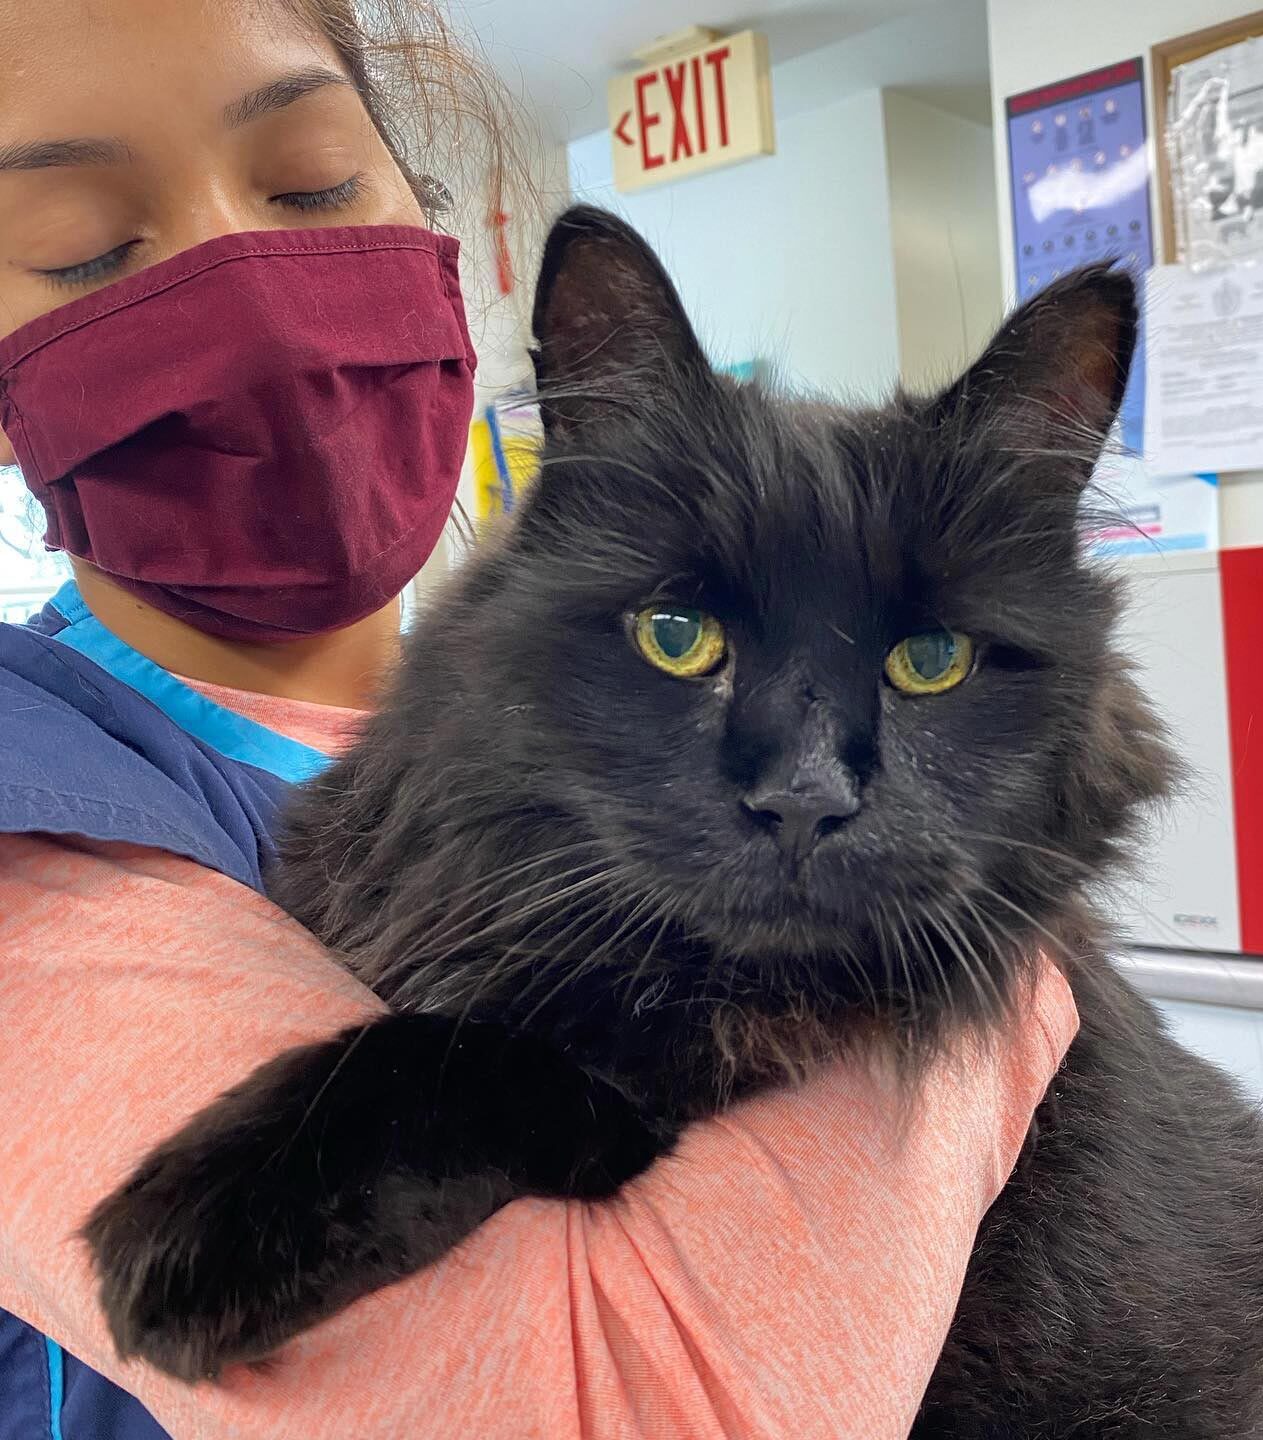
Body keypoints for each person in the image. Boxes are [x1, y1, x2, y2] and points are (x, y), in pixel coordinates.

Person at [0, 2, 1078, 1436]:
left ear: (419, 214)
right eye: (82, 242)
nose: (244, 282)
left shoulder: (489, 736)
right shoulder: (42, 795)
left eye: (314, 182)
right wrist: (1006, 974)